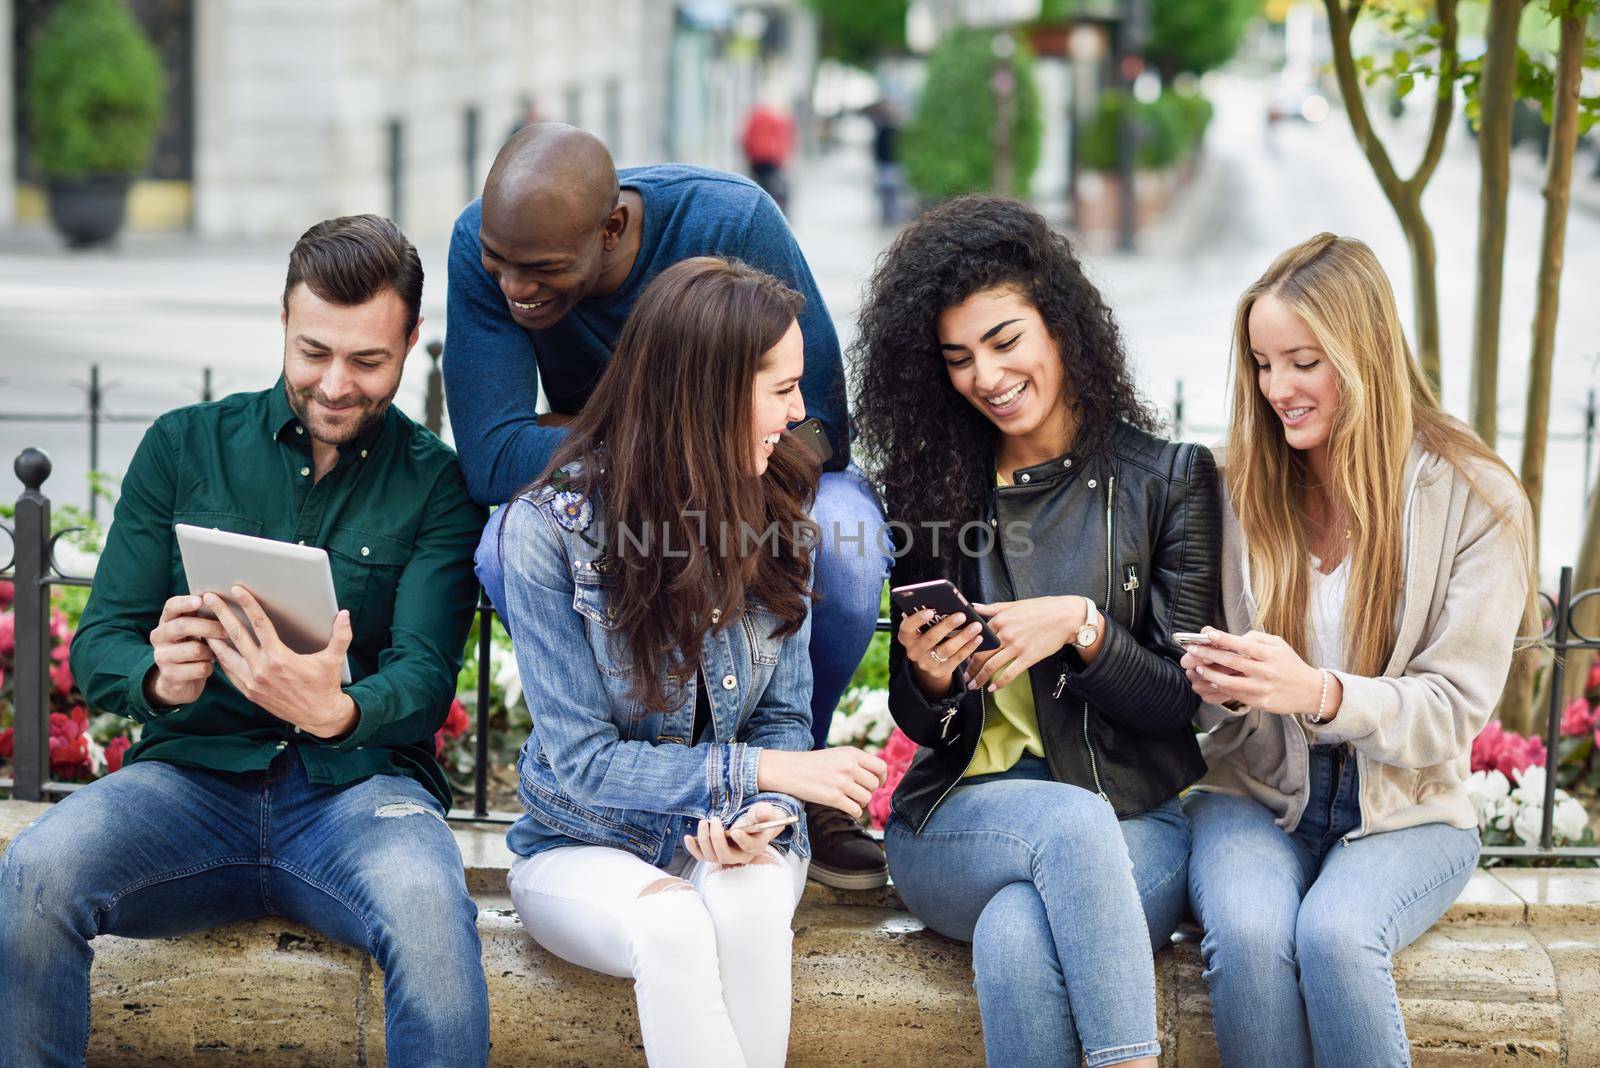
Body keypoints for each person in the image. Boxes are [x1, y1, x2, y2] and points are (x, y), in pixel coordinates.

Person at [0, 216, 490, 1067]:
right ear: (282, 319)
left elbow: (423, 674)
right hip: (190, 781)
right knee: (34, 874)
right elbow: (102, 641)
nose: (336, 384)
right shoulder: (185, 447)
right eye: (313, 352)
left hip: (360, 794)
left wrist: (337, 710)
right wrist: (160, 681)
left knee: (432, 918)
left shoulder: (437, 482)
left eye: (369, 361)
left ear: (411, 340)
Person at [447, 122, 890, 888]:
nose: (515, 289)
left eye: (544, 270)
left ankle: (792, 782)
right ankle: (635, 776)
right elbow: (492, 458)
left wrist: (712, 482)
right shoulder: (484, 245)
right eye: (500, 268)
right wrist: (654, 453)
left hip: (758, 470)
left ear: (613, 227)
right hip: (602, 493)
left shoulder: (731, 222)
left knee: (844, 550)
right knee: (501, 546)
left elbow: (817, 423)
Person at [851, 195, 1221, 1068]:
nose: (986, 374)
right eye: (959, 358)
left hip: (1132, 819)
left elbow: (1182, 703)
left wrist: (1082, 628)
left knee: (1019, 934)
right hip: (958, 822)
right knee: (1061, 834)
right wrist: (934, 679)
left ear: (1061, 326)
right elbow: (923, 727)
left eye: (1005, 340)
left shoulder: (1168, 481)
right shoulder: (932, 489)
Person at [492, 256, 886, 1067]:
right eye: (780, 389)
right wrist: (766, 773)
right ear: (709, 392)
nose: (801, 411)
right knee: (670, 923)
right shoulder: (548, 531)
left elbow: (780, 711)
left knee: (743, 902)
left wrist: (758, 815)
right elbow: (583, 766)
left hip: (733, 838)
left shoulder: (779, 505)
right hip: (582, 844)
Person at [1182, 233, 1535, 1068]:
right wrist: (1223, 686)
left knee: (1339, 938)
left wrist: (1320, 693)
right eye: (1264, 365)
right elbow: (1196, 703)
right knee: (1253, 933)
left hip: (1409, 813)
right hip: (1254, 796)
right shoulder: (1233, 489)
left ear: (1364, 351)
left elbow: (1450, 712)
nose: (1277, 390)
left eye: (1303, 361)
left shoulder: (1478, 499)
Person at [740, 101, 795, 213]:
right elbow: (783, 139)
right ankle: (770, 210)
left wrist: (748, 154)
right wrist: (783, 157)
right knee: (772, 185)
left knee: (758, 184)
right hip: (771, 157)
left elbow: (747, 137)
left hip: (756, 157)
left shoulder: (755, 118)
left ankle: (758, 209)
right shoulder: (778, 118)